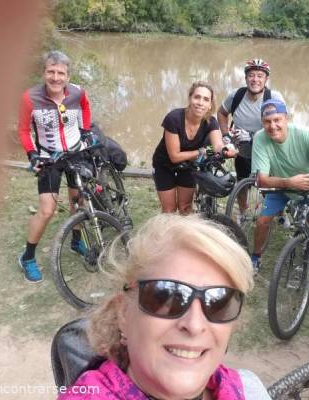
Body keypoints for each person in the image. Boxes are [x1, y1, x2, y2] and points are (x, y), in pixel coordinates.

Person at [59, 213, 270, 399]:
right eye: (166, 296)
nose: (195, 325)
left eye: (219, 302)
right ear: (123, 313)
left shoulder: (249, 388)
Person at [17, 50, 91, 283]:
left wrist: (86, 131)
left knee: (78, 201)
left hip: (75, 153)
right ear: (43, 72)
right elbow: (22, 129)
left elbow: (86, 109)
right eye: (51, 71)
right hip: (49, 158)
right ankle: (27, 257)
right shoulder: (30, 98)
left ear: (68, 75)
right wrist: (32, 155)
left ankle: (76, 242)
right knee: (47, 209)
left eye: (61, 73)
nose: (56, 77)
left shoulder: (78, 93)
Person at [250, 99, 309, 272]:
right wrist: (288, 182)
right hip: (281, 185)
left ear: (286, 118)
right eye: (267, 122)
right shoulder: (259, 138)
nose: (272, 126)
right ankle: (255, 258)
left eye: (277, 120)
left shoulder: (304, 134)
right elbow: (261, 179)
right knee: (262, 220)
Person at [152, 82, 237, 214]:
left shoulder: (211, 122)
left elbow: (217, 146)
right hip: (164, 164)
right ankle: (168, 234)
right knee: (169, 209)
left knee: (185, 207)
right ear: (190, 99)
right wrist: (200, 152)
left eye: (206, 99)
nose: (200, 103)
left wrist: (226, 150)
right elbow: (175, 156)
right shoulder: (173, 118)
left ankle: (186, 234)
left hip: (188, 165)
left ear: (210, 105)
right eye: (197, 97)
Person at [217, 59, 284, 222]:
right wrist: (226, 135)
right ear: (246, 78)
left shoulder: (273, 98)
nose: (255, 79)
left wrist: (254, 136)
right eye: (251, 75)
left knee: (272, 182)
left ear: (266, 80)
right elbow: (221, 113)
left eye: (260, 76)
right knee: (242, 181)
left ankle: (280, 214)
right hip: (244, 148)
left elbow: (281, 125)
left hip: (268, 147)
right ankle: (243, 212)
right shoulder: (236, 96)